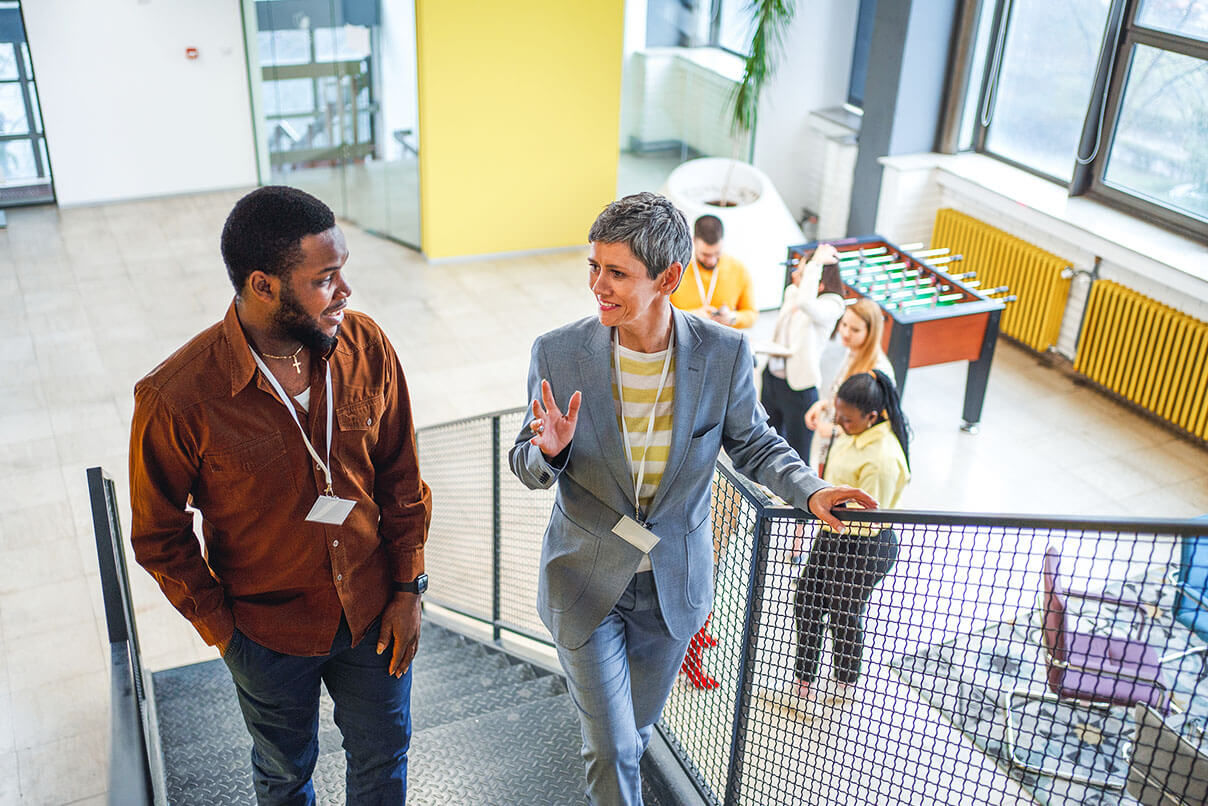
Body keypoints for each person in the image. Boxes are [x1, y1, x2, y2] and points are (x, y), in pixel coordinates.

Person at [508, 192, 877, 805]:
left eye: (617, 273)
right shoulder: (558, 352)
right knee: (613, 746)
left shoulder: (723, 353)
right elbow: (525, 463)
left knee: (637, 730)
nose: (597, 284)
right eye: (593, 266)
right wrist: (547, 451)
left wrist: (809, 491)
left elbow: (754, 442)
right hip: (585, 582)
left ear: (669, 279)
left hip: (672, 588)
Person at [129, 186, 432, 805]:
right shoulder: (178, 398)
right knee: (284, 774)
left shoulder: (366, 346)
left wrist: (408, 588)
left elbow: (401, 476)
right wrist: (224, 633)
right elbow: (158, 536)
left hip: (376, 615)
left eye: (342, 271)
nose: (345, 292)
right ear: (263, 285)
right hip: (266, 635)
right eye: (326, 278)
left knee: (384, 758)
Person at [793, 370, 910, 710]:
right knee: (807, 602)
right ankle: (805, 680)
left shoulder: (883, 458)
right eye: (838, 416)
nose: (840, 424)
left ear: (871, 416)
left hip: (863, 546)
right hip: (833, 535)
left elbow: (868, 518)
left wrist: (822, 504)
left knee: (844, 614)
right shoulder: (852, 432)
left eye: (847, 419)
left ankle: (845, 682)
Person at [760, 244, 846, 464]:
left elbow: (807, 304)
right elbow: (782, 333)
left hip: (799, 387)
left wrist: (816, 262)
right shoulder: (792, 292)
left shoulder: (832, 304)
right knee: (766, 443)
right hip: (773, 378)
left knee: (797, 455)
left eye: (802, 271)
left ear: (818, 280)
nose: (795, 274)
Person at [804, 297, 896, 471]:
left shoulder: (879, 370)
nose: (845, 333)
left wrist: (834, 430)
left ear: (871, 333)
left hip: (851, 453)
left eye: (855, 329)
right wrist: (823, 405)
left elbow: (878, 422)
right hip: (832, 444)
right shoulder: (852, 352)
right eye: (844, 325)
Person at [669, 213, 757, 328]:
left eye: (717, 253)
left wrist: (732, 318)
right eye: (705, 254)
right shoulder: (675, 269)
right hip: (682, 338)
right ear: (693, 241)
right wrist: (689, 316)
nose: (711, 261)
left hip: (723, 338)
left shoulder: (738, 269)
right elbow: (659, 314)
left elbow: (751, 314)